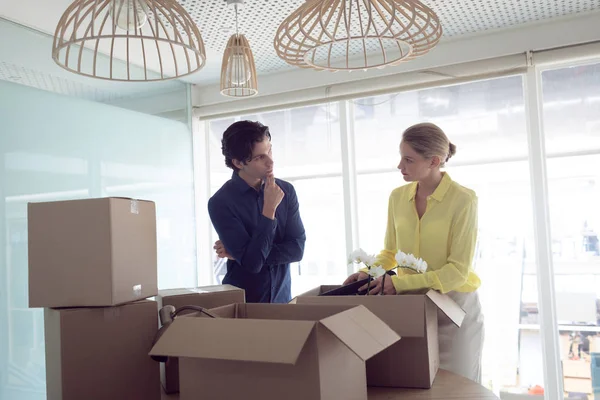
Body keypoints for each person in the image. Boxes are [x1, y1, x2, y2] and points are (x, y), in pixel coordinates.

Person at [344, 122, 485, 383]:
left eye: (408, 159)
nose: (400, 166)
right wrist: (365, 273)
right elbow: (390, 253)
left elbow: (457, 272)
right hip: (413, 308)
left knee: (460, 389)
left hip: (456, 310)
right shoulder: (397, 197)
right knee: (416, 388)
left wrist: (399, 284)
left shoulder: (464, 200)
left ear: (434, 161)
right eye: (401, 157)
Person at [208, 120, 306, 303]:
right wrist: (269, 210)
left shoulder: (286, 191)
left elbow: (296, 250)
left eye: (269, 150)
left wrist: (242, 254)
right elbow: (253, 264)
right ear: (238, 163)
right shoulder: (220, 202)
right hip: (244, 305)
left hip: (283, 302)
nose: (271, 161)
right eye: (260, 157)